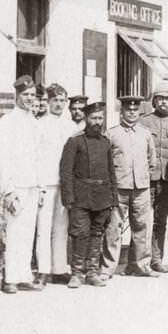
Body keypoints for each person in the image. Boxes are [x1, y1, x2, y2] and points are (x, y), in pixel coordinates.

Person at [0, 75, 48, 294]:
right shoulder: (7, 122)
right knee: (15, 231)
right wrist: (8, 190)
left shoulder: (35, 123)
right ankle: (10, 279)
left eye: (32, 95)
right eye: (25, 95)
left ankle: (24, 274)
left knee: (28, 232)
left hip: (33, 184)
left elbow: (39, 157)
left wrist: (41, 186)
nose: (29, 99)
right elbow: (3, 157)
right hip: (16, 185)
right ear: (17, 95)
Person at [59, 101, 118, 288]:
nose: (97, 122)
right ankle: (76, 273)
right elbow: (66, 171)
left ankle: (92, 272)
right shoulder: (74, 142)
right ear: (86, 119)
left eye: (100, 118)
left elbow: (111, 172)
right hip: (81, 197)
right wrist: (68, 198)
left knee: (97, 233)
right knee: (80, 233)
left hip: (102, 197)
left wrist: (113, 199)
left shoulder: (106, 143)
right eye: (93, 118)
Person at [106, 95, 159, 278]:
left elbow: (152, 161)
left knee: (142, 227)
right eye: (128, 109)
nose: (131, 112)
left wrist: (145, 179)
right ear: (122, 111)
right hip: (119, 187)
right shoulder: (112, 134)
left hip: (141, 187)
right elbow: (107, 161)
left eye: (135, 109)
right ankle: (108, 268)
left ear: (139, 111)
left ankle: (140, 265)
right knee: (114, 228)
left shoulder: (145, 134)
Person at [138, 84, 168, 273]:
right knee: (140, 219)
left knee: (160, 220)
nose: (164, 102)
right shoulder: (143, 122)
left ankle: (156, 259)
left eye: (167, 99)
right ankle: (137, 261)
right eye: (160, 98)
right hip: (147, 178)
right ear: (154, 101)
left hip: (167, 179)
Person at [42, 84, 75, 283]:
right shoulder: (40, 124)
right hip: (46, 180)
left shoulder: (70, 126)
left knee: (61, 226)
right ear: (48, 101)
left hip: (64, 182)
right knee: (44, 227)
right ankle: (43, 269)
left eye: (62, 101)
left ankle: (59, 268)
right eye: (55, 100)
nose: (58, 104)